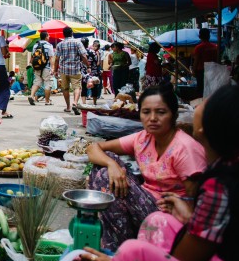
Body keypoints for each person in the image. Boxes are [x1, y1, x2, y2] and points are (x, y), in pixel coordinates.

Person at [78, 84, 239, 261]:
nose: (152, 118)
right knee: (156, 220)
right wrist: (191, 217)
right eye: (146, 112)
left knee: (131, 254)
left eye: (207, 105)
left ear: (206, 129)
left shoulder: (220, 184)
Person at [86, 84, 206, 251]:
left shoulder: (184, 148)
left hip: (168, 214)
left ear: (174, 115)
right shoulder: (143, 138)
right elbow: (93, 148)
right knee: (104, 164)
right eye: (146, 112)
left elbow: (197, 202)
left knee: (105, 178)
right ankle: (120, 241)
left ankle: (118, 247)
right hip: (145, 203)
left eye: (161, 112)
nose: (153, 118)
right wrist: (111, 164)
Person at [54, 26, 89, 115]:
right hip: (75, 69)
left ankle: (68, 107)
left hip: (64, 70)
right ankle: (75, 103)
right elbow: (83, 56)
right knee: (77, 87)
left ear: (63, 34)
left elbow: (57, 59)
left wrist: (55, 70)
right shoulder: (78, 43)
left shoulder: (60, 44)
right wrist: (88, 66)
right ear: (72, 33)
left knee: (65, 88)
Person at [28, 30, 55, 106]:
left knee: (37, 82)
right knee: (47, 83)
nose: (49, 37)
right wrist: (52, 68)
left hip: (37, 67)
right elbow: (51, 58)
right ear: (46, 37)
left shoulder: (35, 45)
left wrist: (33, 67)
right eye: (48, 35)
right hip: (46, 67)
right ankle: (47, 101)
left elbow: (33, 57)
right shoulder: (49, 45)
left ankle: (31, 96)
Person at [192, 28, 218, 97]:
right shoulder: (214, 47)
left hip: (202, 71)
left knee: (201, 91)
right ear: (209, 36)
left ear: (200, 36)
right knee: (211, 90)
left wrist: (193, 71)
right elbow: (217, 60)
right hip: (213, 70)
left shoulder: (199, 47)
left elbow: (196, 61)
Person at [82, 39, 102, 105]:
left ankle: (84, 103)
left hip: (83, 72)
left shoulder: (80, 52)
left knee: (83, 87)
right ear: (88, 44)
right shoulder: (92, 52)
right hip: (93, 72)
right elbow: (97, 62)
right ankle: (94, 102)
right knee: (95, 87)